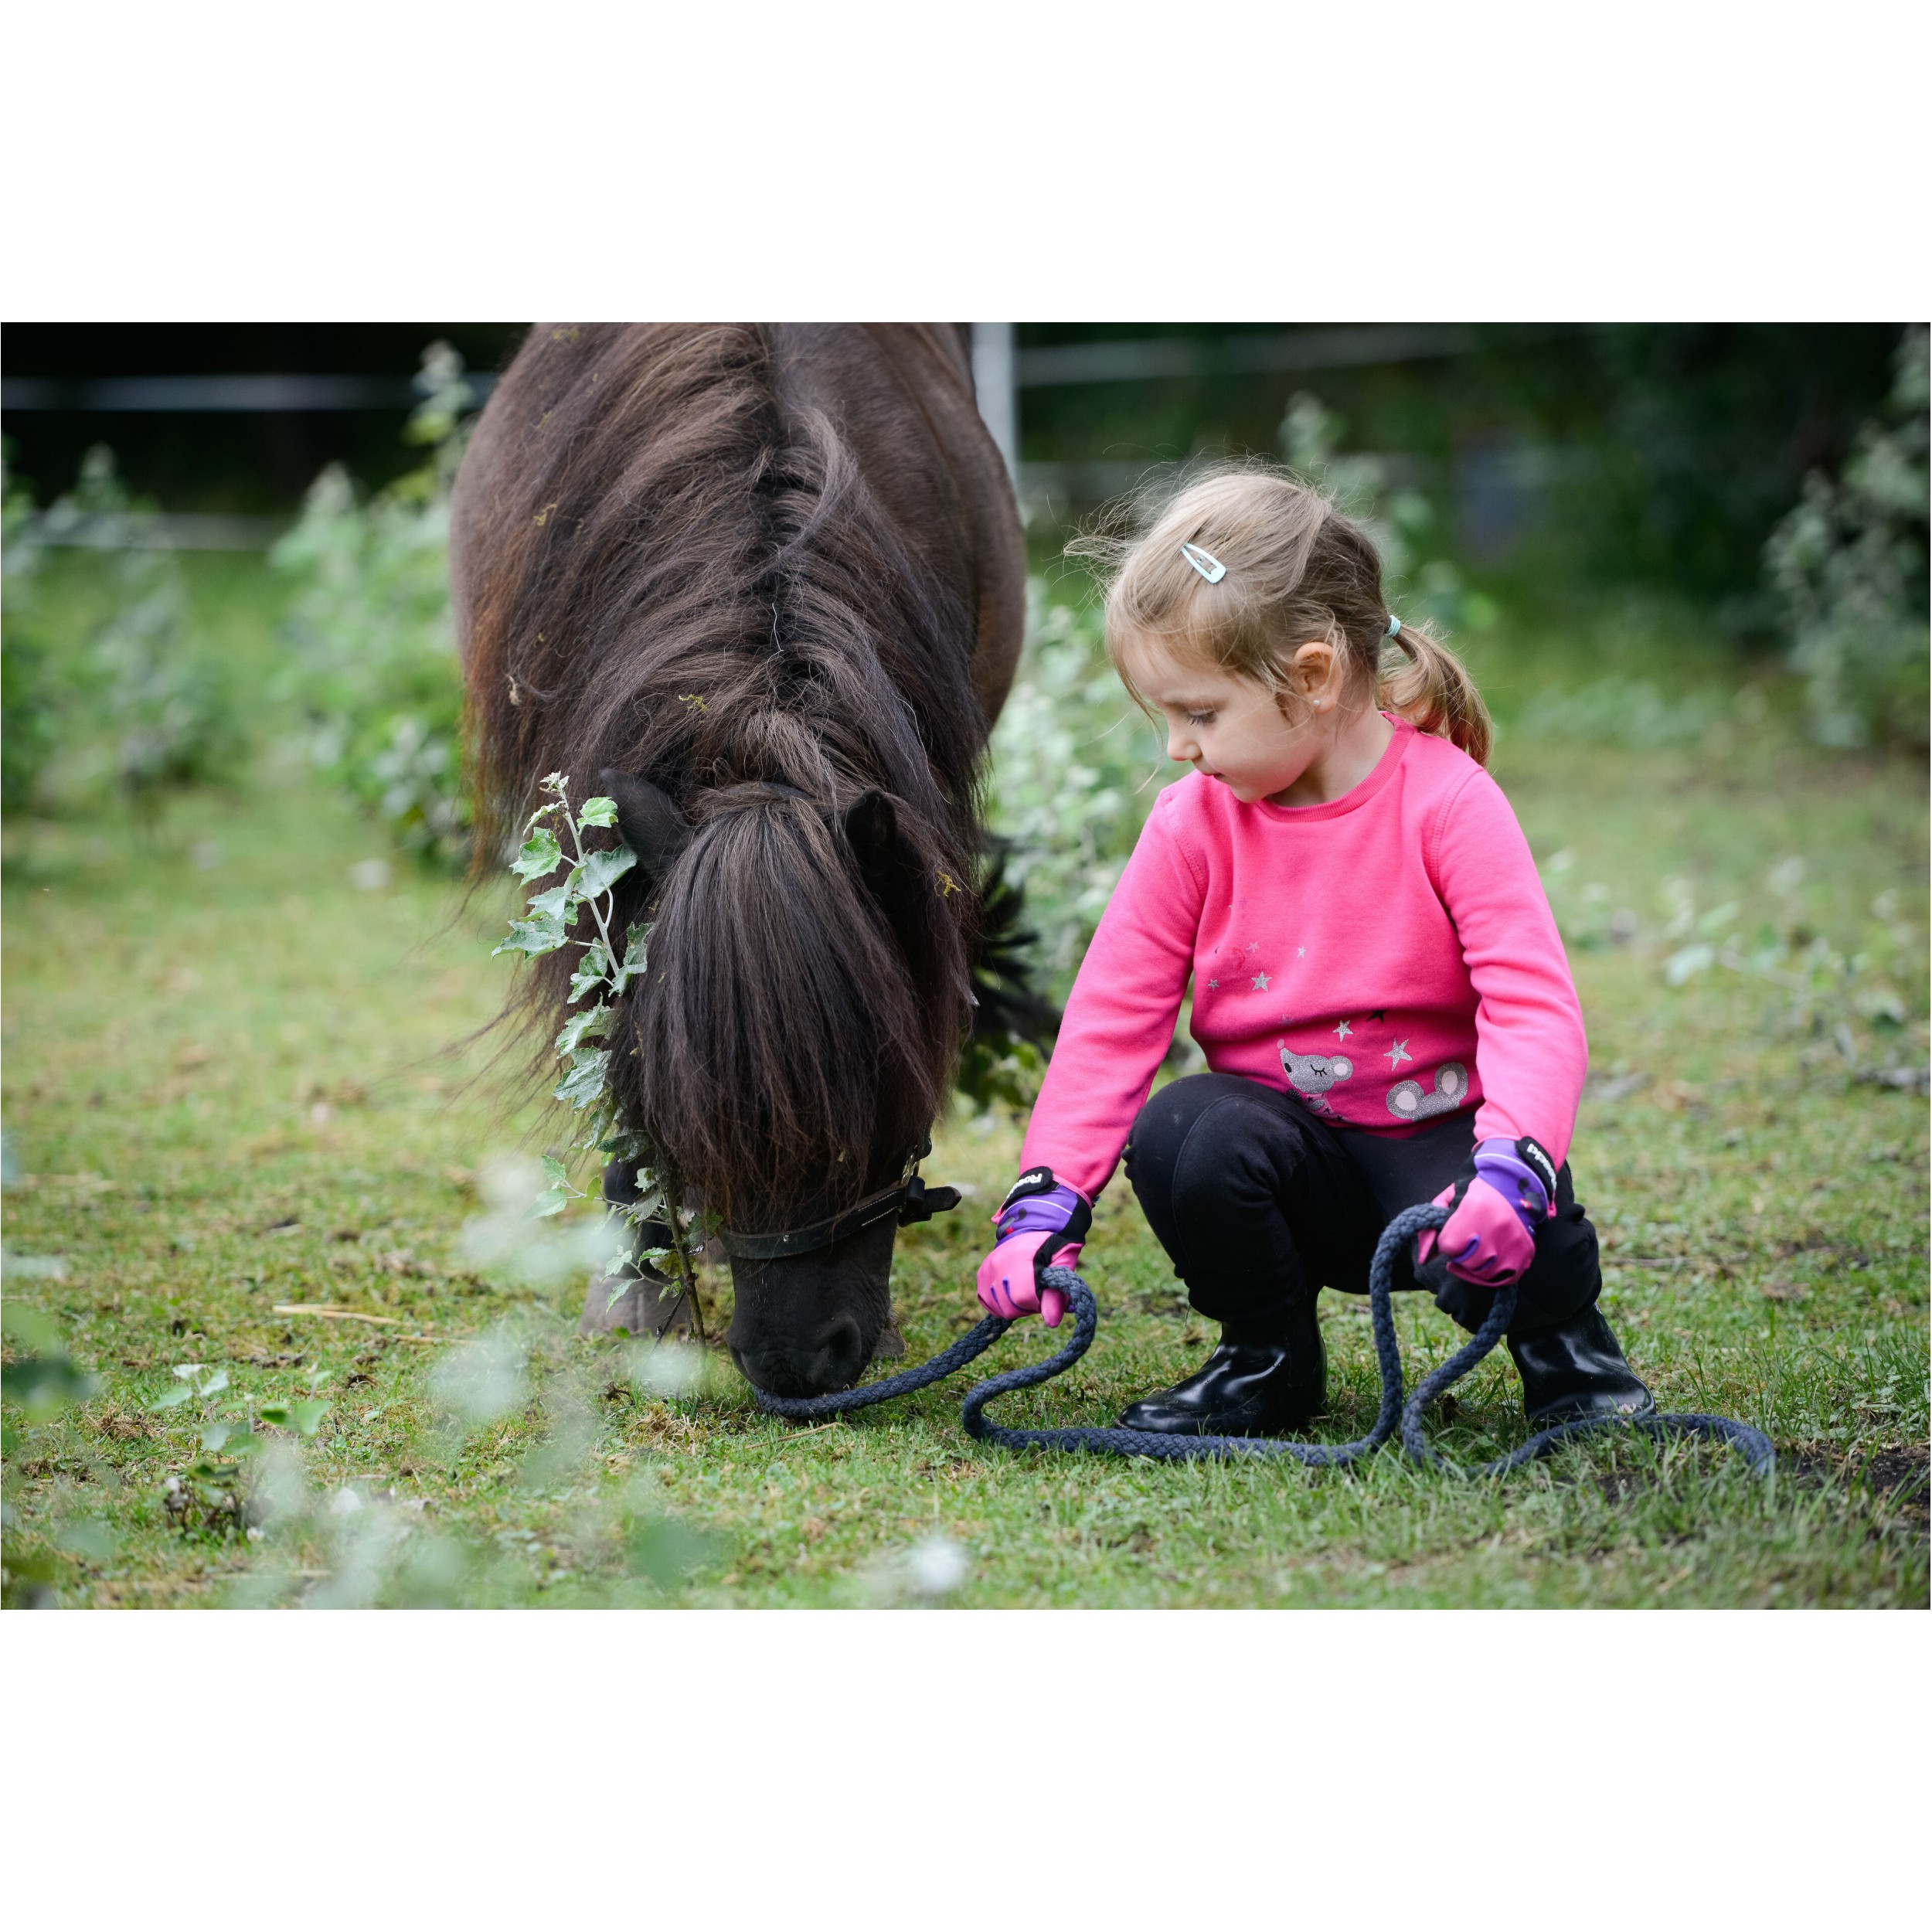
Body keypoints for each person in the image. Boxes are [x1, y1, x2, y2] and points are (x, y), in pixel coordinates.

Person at [975, 468, 1654, 1437]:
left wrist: (1514, 1168)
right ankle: (1267, 1362)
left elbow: (1530, 1004)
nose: (1175, 747)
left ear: (1314, 676)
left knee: (1522, 1191)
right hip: (1287, 1166)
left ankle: (1570, 1357)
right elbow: (1112, 1019)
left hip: (1442, 1161)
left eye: (1199, 714)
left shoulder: (1448, 804)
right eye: (1162, 716)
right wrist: (1043, 1204)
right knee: (1183, 1132)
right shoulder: (1190, 827)